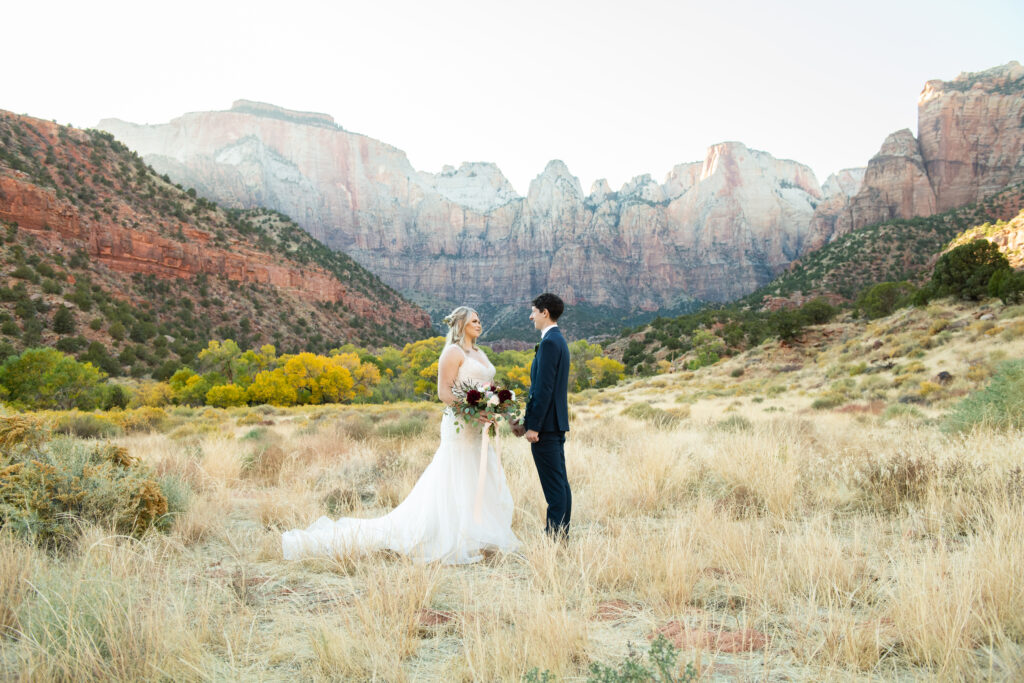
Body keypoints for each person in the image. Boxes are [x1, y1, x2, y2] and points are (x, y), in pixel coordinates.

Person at [281, 306, 520, 564]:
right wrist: (472, 410)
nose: (479, 323)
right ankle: (453, 536)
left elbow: (489, 388)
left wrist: (499, 408)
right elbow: (444, 393)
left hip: (477, 429)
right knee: (456, 473)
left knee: (477, 473)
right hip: (461, 425)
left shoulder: (480, 353)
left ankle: (478, 533)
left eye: (480, 319)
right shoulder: (453, 352)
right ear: (460, 324)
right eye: (474, 320)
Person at [512, 293, 572, 539]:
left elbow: (543, 389)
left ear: (544, 312)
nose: (531, 316)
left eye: (533, 311)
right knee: (560, 483)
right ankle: (560, 536)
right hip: (554, 425)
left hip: (546, 428)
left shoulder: (549, 343)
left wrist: (533, 426)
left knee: (554, 487)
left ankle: (555, 538)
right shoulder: (558, 340)